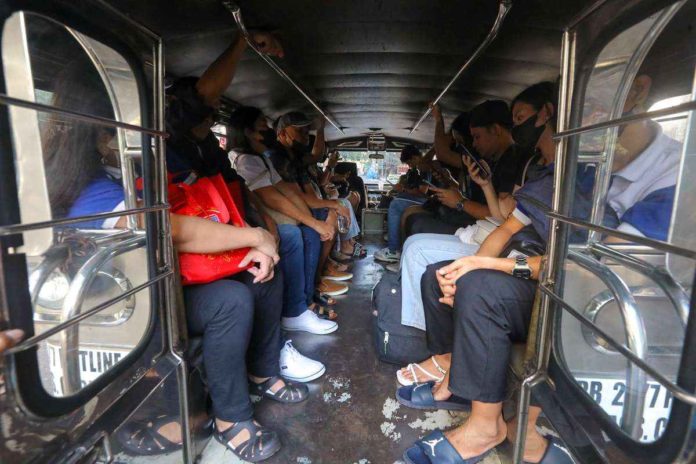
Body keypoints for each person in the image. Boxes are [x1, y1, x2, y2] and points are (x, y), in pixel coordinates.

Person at [45, 42, 314, 462]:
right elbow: (170, 230)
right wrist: (255, 239)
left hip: (163, 278)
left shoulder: (131, 168)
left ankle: (262, 371)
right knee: (231, 299)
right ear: (97, 131)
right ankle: (227, 419)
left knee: (262, 277)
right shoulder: (90, 187)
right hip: (126, 300)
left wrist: (254, 247)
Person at [229, 105, 343, 324]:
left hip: (270, 214)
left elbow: (288, 191)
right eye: (263, 126)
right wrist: (312, 222)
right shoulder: (246, 160)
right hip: (252, 219)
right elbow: (271, 198)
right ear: (248, 132)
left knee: (309, 230)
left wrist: (310, 220)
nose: (268, 131)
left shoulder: (263, 159)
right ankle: (295, 309)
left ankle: (307, 297)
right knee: (293, 234)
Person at [403, 100, 532, 240]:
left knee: (417, 225)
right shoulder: (491, 162)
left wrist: (460, 203)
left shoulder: (512, 160)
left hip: (489, 232)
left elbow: (502, 216)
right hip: (483, 228)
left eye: (476, 137)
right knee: (414, 218)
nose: (473, 144)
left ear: (495, 130)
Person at [273, 111, 354, 293]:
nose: (304, 137)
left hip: (300, 204)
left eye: (306, 132)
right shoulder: (279, 159)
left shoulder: (296, 158)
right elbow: (298, 197)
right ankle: (318, 279)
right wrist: (333, 204)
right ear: (282, 133)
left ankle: (322, 271)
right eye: (299, 132)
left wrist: (321, 129)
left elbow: (316, 157)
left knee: (334, 211)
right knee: (327, 217)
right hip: (287, 209)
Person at [374, 145, 430, 263]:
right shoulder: (416, 170)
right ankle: (394, 235)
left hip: (428, 202)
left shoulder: (425, 167)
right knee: (394, 198)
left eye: (409, 162)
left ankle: (393, 251)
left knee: (395, 205)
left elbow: (423, 192)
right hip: (423, 199)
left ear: (415, 157)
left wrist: (403, 190)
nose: (409, 165)